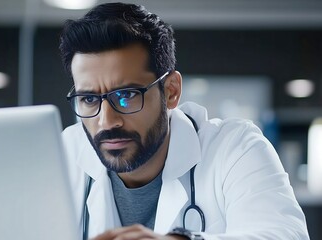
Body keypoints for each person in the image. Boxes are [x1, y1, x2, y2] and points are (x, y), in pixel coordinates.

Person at [59, 2, 309, 240]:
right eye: (89, 99)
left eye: (126, 95)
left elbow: (285, 234)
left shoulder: (235, 147)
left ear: (171, 91)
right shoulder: (61, 155)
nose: (107, 121)